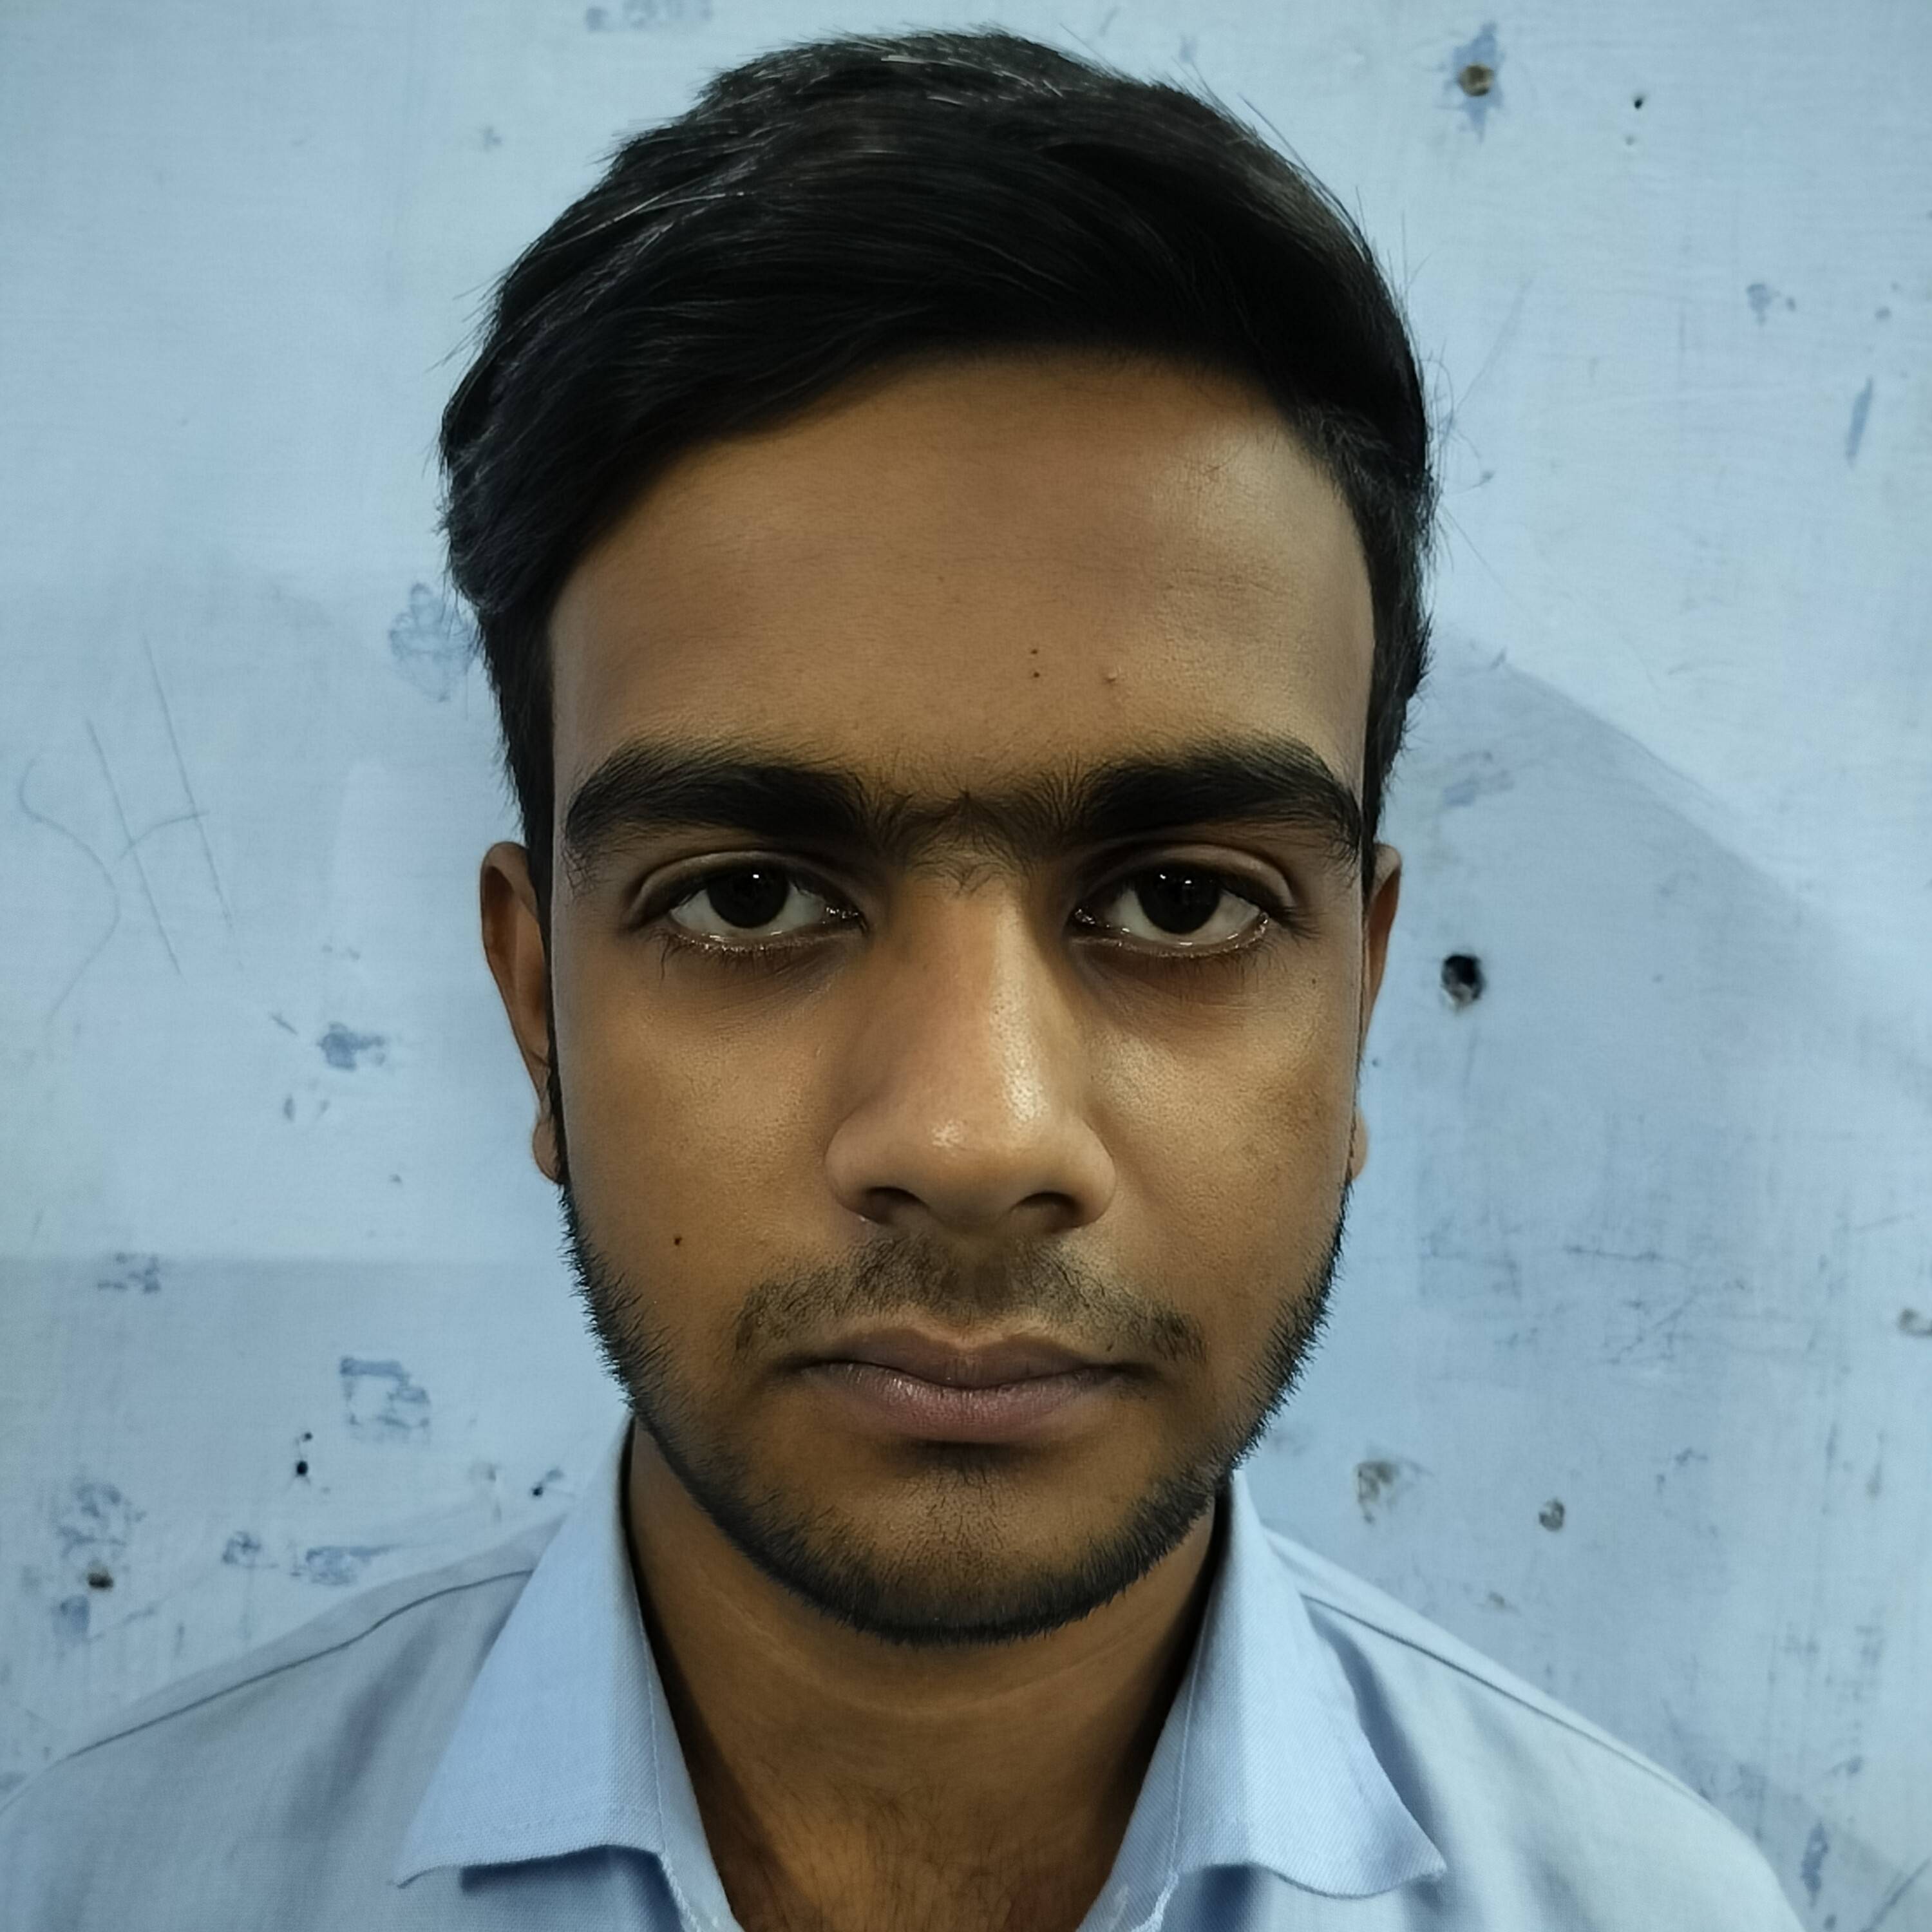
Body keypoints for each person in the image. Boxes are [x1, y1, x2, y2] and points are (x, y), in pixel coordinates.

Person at [1, 28, 1804, 1932]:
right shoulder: (102, 1888)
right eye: (752, 896)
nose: (971, 1138)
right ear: (537, 1011)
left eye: (1181, 903)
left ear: (1357, 997)